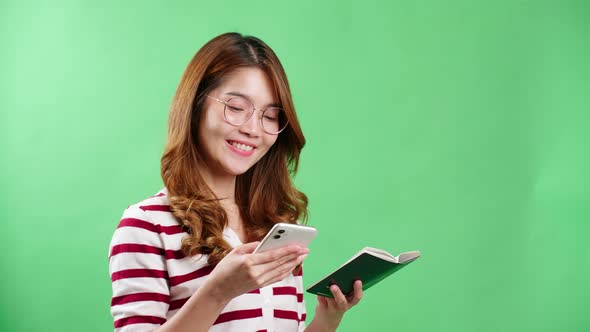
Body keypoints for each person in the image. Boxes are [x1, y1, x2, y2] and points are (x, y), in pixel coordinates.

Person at [108, 32, 363, 332]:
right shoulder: (146, 226)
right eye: (236, 107)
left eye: (270, 115)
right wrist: (218, 292)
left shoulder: (274, 226)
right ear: (196, 105)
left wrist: (327, 319)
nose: (253, 129)